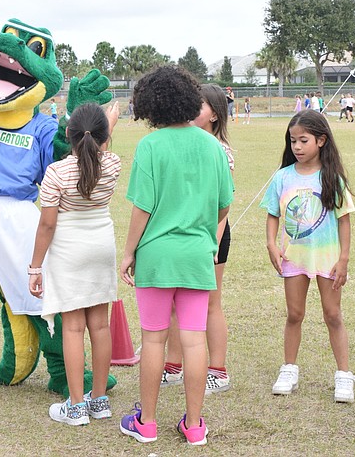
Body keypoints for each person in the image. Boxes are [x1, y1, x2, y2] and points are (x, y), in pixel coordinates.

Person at [119, 66, 233, 446]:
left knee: (153, 340)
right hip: (198, 255)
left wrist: (129, 252)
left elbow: (142, 208)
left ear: (151, 105)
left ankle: (146, 423)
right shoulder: (213, 147)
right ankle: (195, 426)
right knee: (194, 341)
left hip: (157, 256)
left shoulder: (150, 146)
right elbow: (223, 204)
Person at [29, 102, 121, 426]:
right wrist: (109, 121)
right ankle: (99, 400)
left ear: (68, 133)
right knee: (100, 326)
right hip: (101, 248)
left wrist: (35, 267)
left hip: (69, 251)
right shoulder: (113, 164)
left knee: (72, 328)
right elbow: (100, 146)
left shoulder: (56, 173)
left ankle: (77, 406)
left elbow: (47, 225)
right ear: (104, 137)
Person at [262, 109, 355, 403]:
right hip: (294, 258)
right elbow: (273, 214)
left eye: (304, 140)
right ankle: (289, 369)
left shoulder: (332, 178)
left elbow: (344, 220)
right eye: (293, 141)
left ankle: (344, 374)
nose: (297, 147)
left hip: (328, 258)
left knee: (333, 314)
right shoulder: (282, 177)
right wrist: (271, 243)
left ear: (321, 141)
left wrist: (343, 259)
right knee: (294, 314)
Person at [162, 83, 234, 395]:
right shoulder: (184, 142)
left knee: (210, 304)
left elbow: (222, 205)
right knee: (175, 303)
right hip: (183, 233)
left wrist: (213, 244)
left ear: (215, 115)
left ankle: (218, 371)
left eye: (200, 105)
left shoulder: (221, 150)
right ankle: (173, 367)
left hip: (210, 235)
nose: (193, 109)